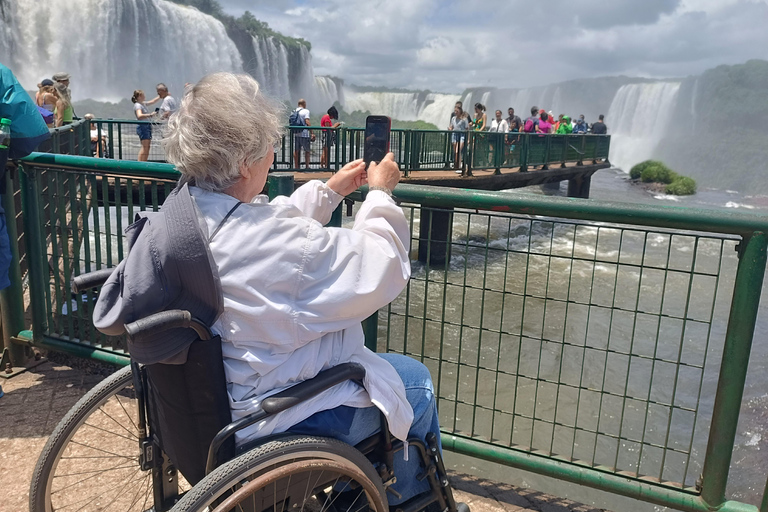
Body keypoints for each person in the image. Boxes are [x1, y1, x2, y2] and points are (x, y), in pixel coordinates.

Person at [144, 72, 439, 506]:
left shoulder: (179, 217)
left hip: (198, 409)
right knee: (416, 383)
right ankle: (402, 500)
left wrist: (330, 192)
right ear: (246, 161)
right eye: (269, 145)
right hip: (267, 419)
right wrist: (380, 196)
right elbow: (383, 267)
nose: (275, 153)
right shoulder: (278, 247)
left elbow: (264, 228)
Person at [132, 89, 157, 161]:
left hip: (147, 126)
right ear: (139, 96)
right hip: (143, 127)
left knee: (147, 147)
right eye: (143, 95)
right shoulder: (138, 105)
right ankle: (140, 164)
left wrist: (159, 96)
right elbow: (139, 116)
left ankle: (144, 162)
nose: (144, 96)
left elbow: (152, 102)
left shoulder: (143, 104)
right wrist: (150, 115)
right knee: (144, 147)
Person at [291, 98, 313, 170]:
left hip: (296, 134)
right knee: (307, 151)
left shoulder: (294, 111)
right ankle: (307, 166)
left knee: (296, 150)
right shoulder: (306, 111)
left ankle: (296, 167)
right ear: (304, 104)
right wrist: (312, 133)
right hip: (304, 134)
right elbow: (307, 121)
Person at [449, 105, 468, 172]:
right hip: (454, 135)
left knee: (458, 151)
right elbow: (451, 126)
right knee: (455, 152)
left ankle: (459, 166)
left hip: (462, 135)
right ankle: (457, 165)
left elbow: (467, 128)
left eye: (457, 111)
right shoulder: (453, 118)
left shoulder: (464, 119)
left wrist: (467, 138)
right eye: (455, 111)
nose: (455, 112)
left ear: (460, 111)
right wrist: (450, 129)